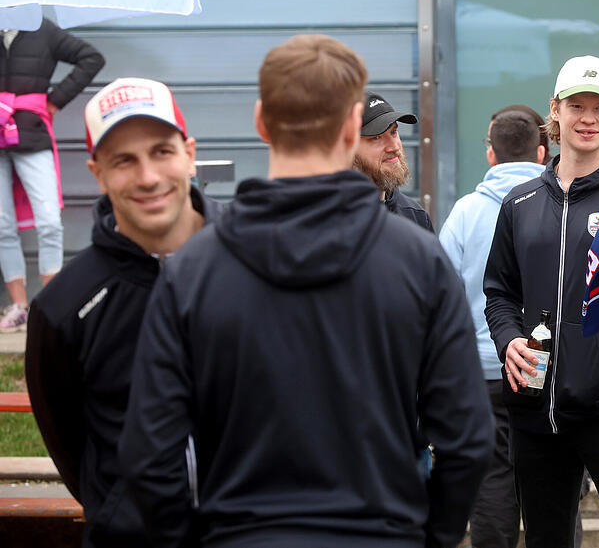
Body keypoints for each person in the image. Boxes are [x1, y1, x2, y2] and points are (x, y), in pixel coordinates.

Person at [118, 34, 493, 548]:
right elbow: (468, 439)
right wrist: (428, 536)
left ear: (260, 122)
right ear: (351, 126)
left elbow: (148, 455)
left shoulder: (191, 272)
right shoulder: (419, 261)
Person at [24, 77, 222, 547]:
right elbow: (69, 443)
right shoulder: (65, 306)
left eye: (161, 152)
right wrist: (120, 510)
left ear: (189, 153)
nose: (148, 177)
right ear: (98, 174)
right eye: (124, 161)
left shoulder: (258, 260)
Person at [484, 55, 599, 548]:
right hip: (534, 409)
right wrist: (508, 340)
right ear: (555, 112)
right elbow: (499, 292)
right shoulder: (519, 202)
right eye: (576, 106)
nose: (588, 118)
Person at [439, 109, 545, 548]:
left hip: (482, 375)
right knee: (553, 494)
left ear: (491, 155)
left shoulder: (465, 212)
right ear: (542, 153)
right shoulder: (561, 207)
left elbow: (439, 298)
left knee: (491, 488)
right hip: (545, 372)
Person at [0, 19, 104, 331]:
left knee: (49, 222)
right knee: (2, 226)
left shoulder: (42, 30)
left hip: (33, 135)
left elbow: (92, 58)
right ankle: (19, 306)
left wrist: (55, 100)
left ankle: (51, 304)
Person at [355, 91, 433, 231]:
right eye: (376, 137)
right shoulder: (326, 220)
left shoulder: (416, 217)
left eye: (393, 132)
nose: (394, 147)